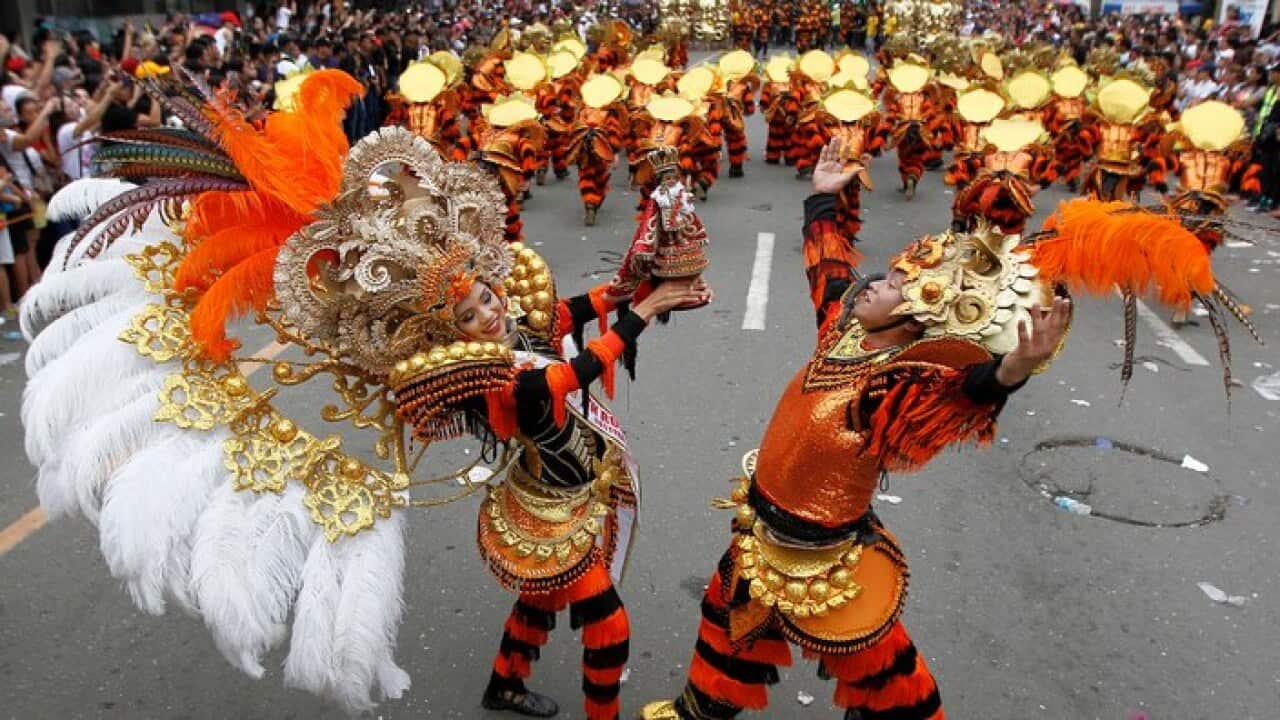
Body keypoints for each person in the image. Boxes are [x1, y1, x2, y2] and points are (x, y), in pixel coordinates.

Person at [639, 136, 1249, 720]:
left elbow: (962, 392)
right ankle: (702, 711)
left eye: (891, 285)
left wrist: (1012, 370)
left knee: (893, 683)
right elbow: (827, 266)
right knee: (723, 625)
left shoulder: (894, 383)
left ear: (914, 317)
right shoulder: (845, 331)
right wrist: (822, 198)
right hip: (760, 529)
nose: (873, 281)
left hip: (829, 559)